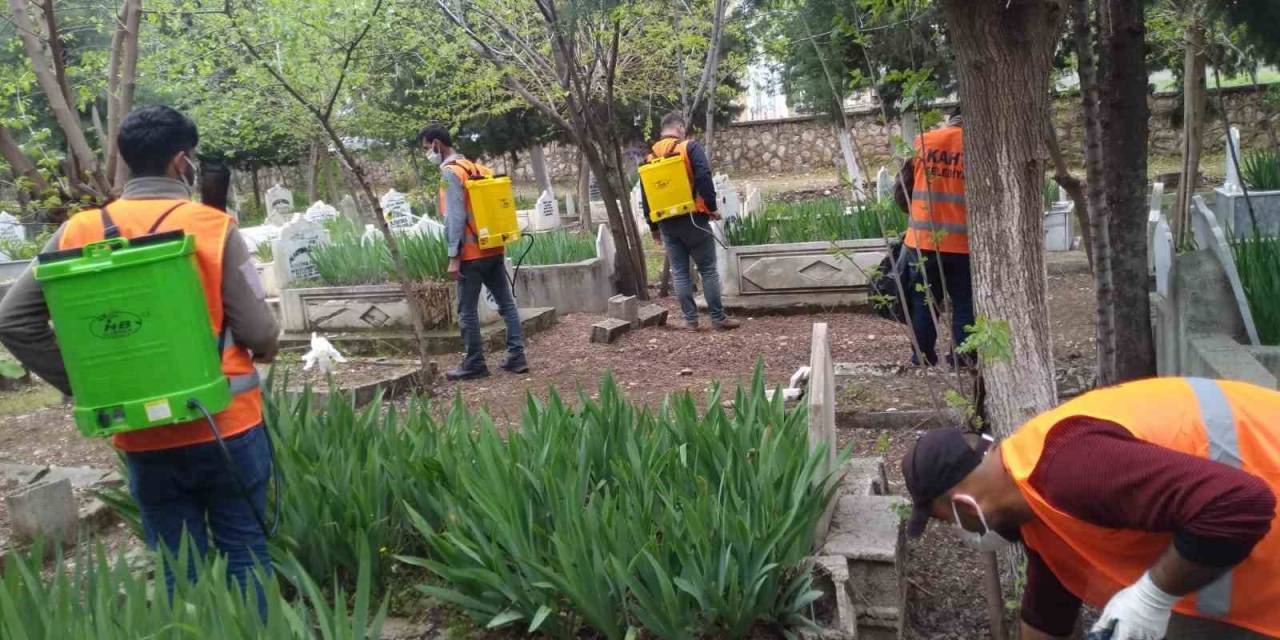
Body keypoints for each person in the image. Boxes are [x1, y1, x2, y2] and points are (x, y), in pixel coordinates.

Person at [0, 106, 280, 602]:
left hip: (142, 434)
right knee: (244, 548)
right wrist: (263, 346)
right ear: (181, 161)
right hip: (226, 422)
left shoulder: (77, 231)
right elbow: (260, 329)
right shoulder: (212, 225)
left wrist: (89, 381)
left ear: (127, 162)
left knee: (177, 563)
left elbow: (12, 319)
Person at [901, 377, 1280, 639]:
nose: (962, 533)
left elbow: (1242, 503)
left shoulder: (1072, 466)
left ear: (965, 503)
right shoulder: (1036, 501)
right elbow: (1047, 615)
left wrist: (1151, 597)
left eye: (949, 520)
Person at [418, 125, 527, 380]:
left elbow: (454, 217)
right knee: (506, 304)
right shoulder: (478, 169)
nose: (427, 154)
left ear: (436, 144)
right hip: (493, 248)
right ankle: (517, 356)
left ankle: (475, 363)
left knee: (466, 310)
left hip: (470, 255)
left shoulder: (450, 172)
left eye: (426, 148)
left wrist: (453, 256)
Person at [640, 112, 739, 331]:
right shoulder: (689, 147)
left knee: (680, 272)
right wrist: (712, 207)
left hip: (667, 223)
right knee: (707, 269)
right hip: (694, 219)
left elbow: (646, 195)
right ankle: (717, 318)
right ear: (679, 129)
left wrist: (653, 226)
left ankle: (690, 320)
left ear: (662, 130)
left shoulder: (649, 158)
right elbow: (703, 175)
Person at [893, 107, 972, 367]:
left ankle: (922, 356)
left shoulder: (924, 141)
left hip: (923, 241)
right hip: (964, 246)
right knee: (964, 304)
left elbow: (902, 190)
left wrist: (917, 214)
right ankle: (963, 358)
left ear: (951, 119)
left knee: (924, 302)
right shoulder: (978, 146)